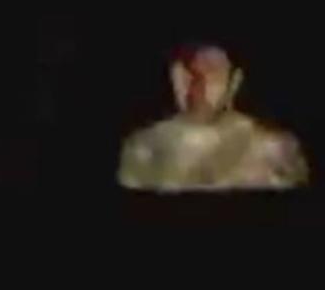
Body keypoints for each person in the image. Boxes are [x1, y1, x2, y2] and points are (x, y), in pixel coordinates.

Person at [118, 45, 308, 191]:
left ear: (234, 81)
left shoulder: (274, 151)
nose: (197, 86)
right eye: (187, 72)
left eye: (211, 72)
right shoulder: (143, 149)